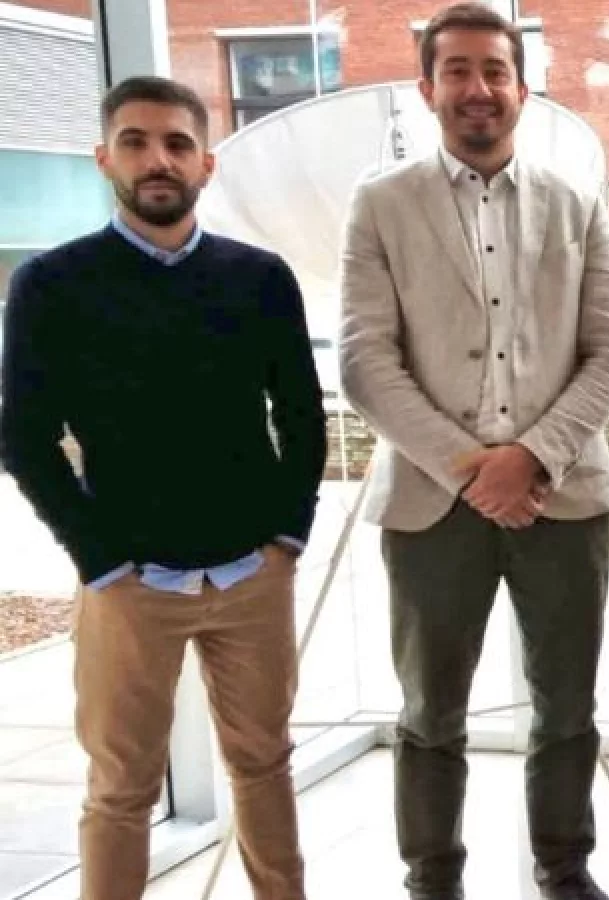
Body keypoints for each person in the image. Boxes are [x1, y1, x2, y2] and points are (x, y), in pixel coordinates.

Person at [0, 76, 326, 900]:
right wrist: (99, 560)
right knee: (121, 790)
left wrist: (287, 539)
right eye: (137, 142)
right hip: (130, 583)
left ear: (205, 164)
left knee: (264, 763)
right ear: (103, 158)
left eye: (178, 144)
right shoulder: (51, 283)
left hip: (251, 578)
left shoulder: (260, 277)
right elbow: (24, 437)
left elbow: (300, 416)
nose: (159, 160)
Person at [337, 4, 609, 900]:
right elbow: (364, 360)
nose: (478, 88)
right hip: (433, 505)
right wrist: (471, 469)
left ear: (522, 89)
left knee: (568, 706)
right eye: (458, 70)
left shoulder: (578, 202)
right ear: (427, 88)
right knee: (430, 712)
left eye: (495, 70)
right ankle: (432, 879)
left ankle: (564, 870)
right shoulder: (380, 204)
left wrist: (531, 457)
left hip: (562, 497)